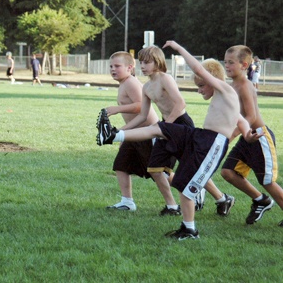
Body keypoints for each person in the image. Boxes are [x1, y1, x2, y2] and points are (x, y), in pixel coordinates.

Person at [97, 41, 261, 239]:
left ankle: (194, 223)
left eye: (201, 85)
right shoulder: (219, 96)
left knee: (187, 183)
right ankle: (114, 136)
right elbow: (240, 119)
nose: (198, 90)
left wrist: (178, 48)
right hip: (199, 135)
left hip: (207, 138)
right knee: (159, 133)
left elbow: (199, 72)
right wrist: (246, 134)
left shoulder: (224, 90)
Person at [117, 45, 229, 216]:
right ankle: (172, 206)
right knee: (154, 168)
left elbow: (180, 104)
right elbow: (142, 116)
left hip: (181, 124)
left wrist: (165, 127)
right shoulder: (146, 88)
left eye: (147, 62)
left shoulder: (165, 79)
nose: (143, 66)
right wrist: (119, 131)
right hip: (166, 126)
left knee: (192, 167)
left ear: (158, 62)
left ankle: (222, 198)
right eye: (141, 62)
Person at [221, 46, 283, 227]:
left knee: (267, 181)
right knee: (228, 172)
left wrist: (231, 135)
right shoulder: (232, 85)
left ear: (244, 65)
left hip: (259, 137)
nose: (227, 66)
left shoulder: (246, 86)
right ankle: (261, 200)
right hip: (247, 137)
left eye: (231, 62)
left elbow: (251, 117)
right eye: (225, 62)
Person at [104, 51, 159, 211]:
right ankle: (127, 201)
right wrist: (124, 135)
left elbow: (141, 106)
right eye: (111, 66)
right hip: (133, 134)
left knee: (159, 173)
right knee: (121, 165)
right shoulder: (124, 83)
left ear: (130, 67)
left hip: (147, 133)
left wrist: (117, 109)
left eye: (117, 66)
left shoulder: (131, 82)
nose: (113, 69)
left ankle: (192, 191)